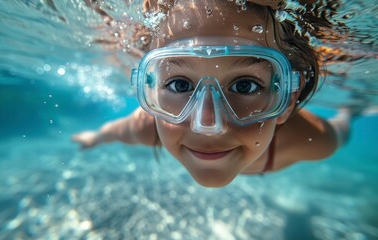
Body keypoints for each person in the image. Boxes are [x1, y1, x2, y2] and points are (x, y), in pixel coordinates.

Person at [73, 0, 351, 187]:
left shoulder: (316, 139)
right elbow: (112, 132)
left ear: (289, 98)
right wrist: (94, 138)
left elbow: (339, 133)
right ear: (150, 92)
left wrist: (344, 119)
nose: (208, 125)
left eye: (245, 86)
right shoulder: (145, 127)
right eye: (179, 85)